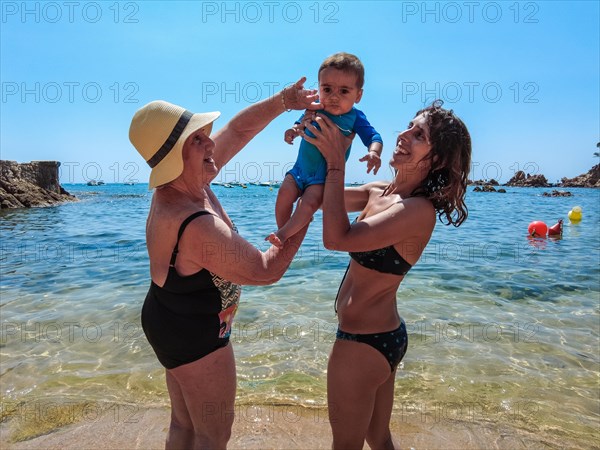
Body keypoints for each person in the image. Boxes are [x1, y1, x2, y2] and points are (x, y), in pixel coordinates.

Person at [128, 79, 319, 450]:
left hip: (169, 316)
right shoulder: (193, 221)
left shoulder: (188, 180)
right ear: (175, 157)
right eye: (197, 140)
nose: (211, 143)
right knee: (214, 436)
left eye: (204, 135)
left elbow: (238, 129)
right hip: (192, 331)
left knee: (184, 425)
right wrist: (308, 207)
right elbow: (266, 270)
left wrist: (285, 101)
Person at [302, 100, 471, 449]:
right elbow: (318, 196)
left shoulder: (418, 210)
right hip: (382, 336)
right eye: (408, 126)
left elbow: (337, 238)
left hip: (362, 343)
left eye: (419, 134)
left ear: (437, 159)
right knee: (378, 439)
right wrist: (320, 138)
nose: (404, 135)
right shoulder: (380, 191)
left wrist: (336, 163)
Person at [266, 52, 383, 248]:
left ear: (358, 95)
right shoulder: (314, 109)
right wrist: (293, 131)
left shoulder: (355, 118)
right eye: (327, 89)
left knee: (309, 203)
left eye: (344, 91)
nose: (334, 97)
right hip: (299, 170)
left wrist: (374, 152)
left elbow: (374, 137)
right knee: (284, 194)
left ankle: (283, 235)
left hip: (321, 179)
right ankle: (286, 229)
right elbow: (300, 125)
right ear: (319, 87)